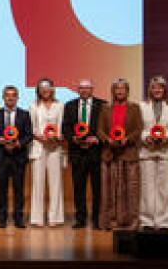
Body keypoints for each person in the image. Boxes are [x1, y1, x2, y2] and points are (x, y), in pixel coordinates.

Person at [98, 78, 143, 231]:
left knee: (130, 189)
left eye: (122, 88)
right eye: (117, 88)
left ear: (127, 91)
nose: (119, 91)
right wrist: (107, 139)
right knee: (109, 190)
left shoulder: (135, 108)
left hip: (128, 153)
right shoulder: (105, 108)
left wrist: (127, 139)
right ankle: (109, 221)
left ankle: (130, 221)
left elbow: (138, 128)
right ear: (113, 91)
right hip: (109, 154)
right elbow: (100, 130)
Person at [62, 78, 105, 229]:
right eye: (81, 88)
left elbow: (105, 127)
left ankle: (97, 219)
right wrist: (73, 138)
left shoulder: (103, 105)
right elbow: (65, 127)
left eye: (87, 87)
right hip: (77, 153)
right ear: (77, 90)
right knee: (78, 188)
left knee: (97, 189)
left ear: (92, 89)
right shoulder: (69, 106)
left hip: (96, 152)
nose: (84, 90)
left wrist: (97, 138)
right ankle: (80, 218)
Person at [138, 75, 168, 231]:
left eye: (160, 87)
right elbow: (139, 128)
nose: (157, 90)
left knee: (166, 189)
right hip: (147, 151)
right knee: (147, 188)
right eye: (154, 87)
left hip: (166, 151)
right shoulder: (142, 106)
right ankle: (147, 221)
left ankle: (164, 223)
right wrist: (146, 137)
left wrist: (166, 138)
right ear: (150, 89)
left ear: (165, 89)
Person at [0, 85, 32, 228]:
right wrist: (0, 140)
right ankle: (2, 218)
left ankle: (18, 218)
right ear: (3, 97)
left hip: (18, 157)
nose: (10, 98)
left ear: (17, 98)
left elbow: (28, 135)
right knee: (1, 190)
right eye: (7, 95)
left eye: (13, 95)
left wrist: (18, 143)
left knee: (18, 190)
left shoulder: (24, 114)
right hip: (1, 157)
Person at [29, 77, 66, 227]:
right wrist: (40, 137)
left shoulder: (60, 106)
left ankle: (55, 217)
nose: (45, 90)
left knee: (56, 183)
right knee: (38, 183)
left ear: (52, 89)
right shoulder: (34, 106)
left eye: (48, 87)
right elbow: (31, 128)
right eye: (42, 88)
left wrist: (58, 137)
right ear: (38, 90)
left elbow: (61, 126)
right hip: (39, 146)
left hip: (55, 147)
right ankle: (37, 218)